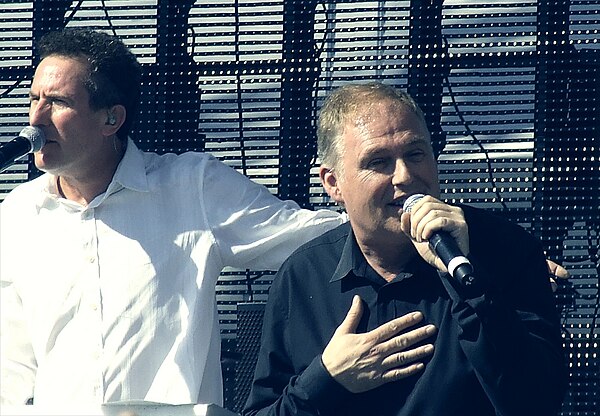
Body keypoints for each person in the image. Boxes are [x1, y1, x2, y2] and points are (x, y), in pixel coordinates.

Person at [0, 28, 346, 407]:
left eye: (58, 102)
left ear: (111, 119)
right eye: (34, 98)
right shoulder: (16, 216)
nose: (36, 117)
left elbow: (307, 237)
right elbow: (12, 365)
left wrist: (398, 214)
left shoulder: (192, 187)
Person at [243, 82, 567, 416]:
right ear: (333, 183)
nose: (405, 176)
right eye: (379, 162)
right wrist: (326, 378)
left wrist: (472, 285)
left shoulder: (503, 251)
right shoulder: (303, 275)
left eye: (415, 154)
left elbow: (537, 402)